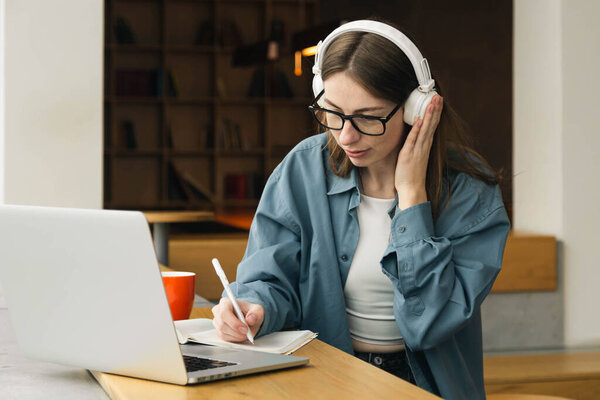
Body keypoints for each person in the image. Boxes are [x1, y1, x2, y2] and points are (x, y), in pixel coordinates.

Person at [212, 19, 510, 400]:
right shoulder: (302, 170)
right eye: (332, 112)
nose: (345, 135)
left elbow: (428, 324)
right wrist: (254, 306)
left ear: (414, 109)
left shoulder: (471, 192)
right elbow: (269, 279)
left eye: (368, 117)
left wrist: (412, 195)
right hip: (324, 378)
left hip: (422, 387)